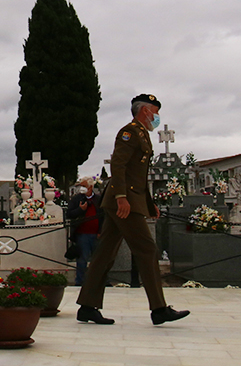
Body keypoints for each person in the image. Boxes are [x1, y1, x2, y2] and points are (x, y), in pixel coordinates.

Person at [76, 94, 190, 326]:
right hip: (123, 203)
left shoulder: (142, 135)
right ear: (145, 111)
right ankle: (159, 309)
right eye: (155, 112)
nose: (157, 117)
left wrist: (149, 204)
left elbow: (139, 177)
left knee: (105, 254)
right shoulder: (128, 133)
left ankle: (87, 306)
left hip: (130, 200)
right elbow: (118, 165)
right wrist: (121, 198)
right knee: (147, 250)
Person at [65, 178, 102, 286]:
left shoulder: (98, 199)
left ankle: (99, 281)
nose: (81, 188)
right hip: (82, 235)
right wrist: (80, 210)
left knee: (98, 259)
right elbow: (69, 214)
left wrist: (101, 230)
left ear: (90, 187)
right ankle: (80, 281)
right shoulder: (76, 199)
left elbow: (103, 216)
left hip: (96, 234)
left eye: (84, 186)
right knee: (82, 259)